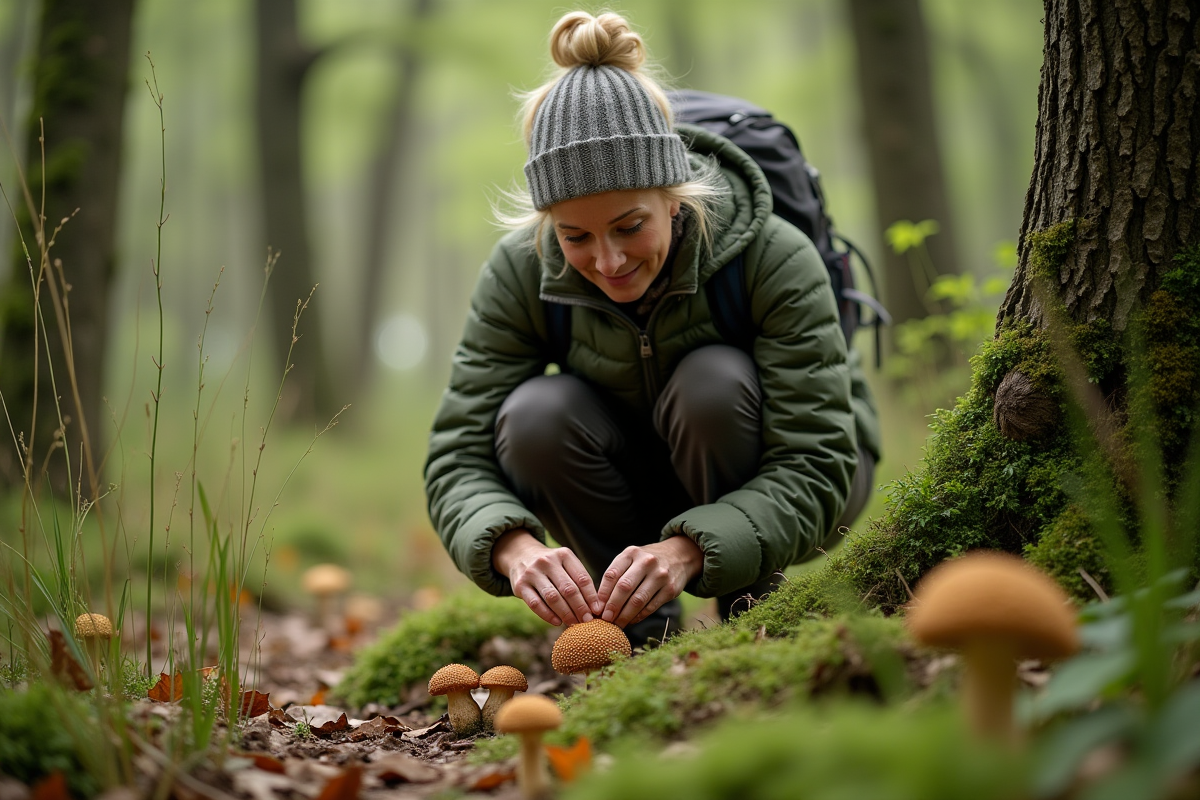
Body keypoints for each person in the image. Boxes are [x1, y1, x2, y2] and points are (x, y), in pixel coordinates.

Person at [425, 10, 880, 646]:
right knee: (536, 415)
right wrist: (511, 544)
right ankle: (636, 630)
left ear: (676, 193)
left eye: (631, 226)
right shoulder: (521, 272)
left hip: (799, 471)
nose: (607, 262)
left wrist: (693, 549)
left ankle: (753, 619)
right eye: (575, 235)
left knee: (711, 385)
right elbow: (457, 456)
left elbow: (817, 461)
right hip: (636, 478)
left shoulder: (772, 256)